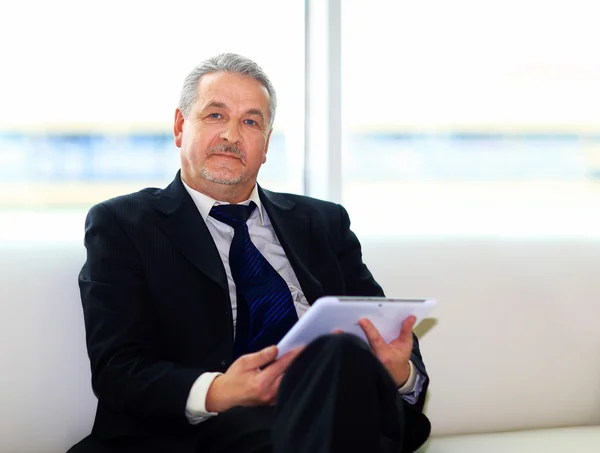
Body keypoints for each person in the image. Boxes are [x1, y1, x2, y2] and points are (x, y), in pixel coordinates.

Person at [68, 53, 431, 453]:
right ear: (179, 127)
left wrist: (402, 373)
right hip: (208, 431)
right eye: (215, 116)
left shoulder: (322, 223)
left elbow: (385, 328)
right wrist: (223, 390)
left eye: (250, 122)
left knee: (339, 351)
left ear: (266, 144)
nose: (231, 136)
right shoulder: (124, 223)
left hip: (336, 410)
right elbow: (117, 369)